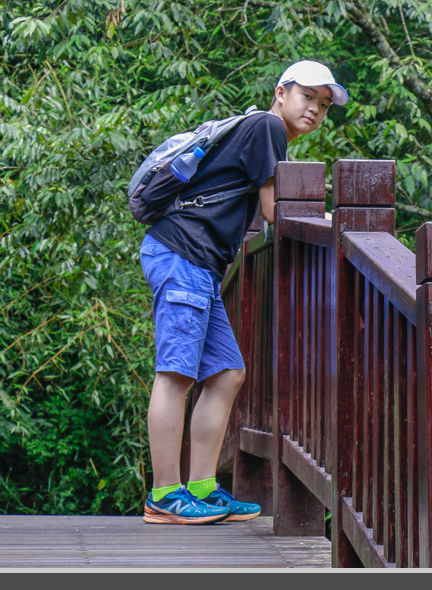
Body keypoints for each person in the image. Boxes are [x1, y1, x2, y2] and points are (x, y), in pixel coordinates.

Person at [139, 60, 348, 524]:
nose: (315, 109)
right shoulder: (268, 126)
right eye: (308, 96)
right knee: (176, 374)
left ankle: (202, 488)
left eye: (324, 104)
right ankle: (165, 496)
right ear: (281, 91)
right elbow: (277, 212)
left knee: (228, 373)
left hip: (198, 264)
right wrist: (334, 223)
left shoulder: (264, 132)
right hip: (182, 255)